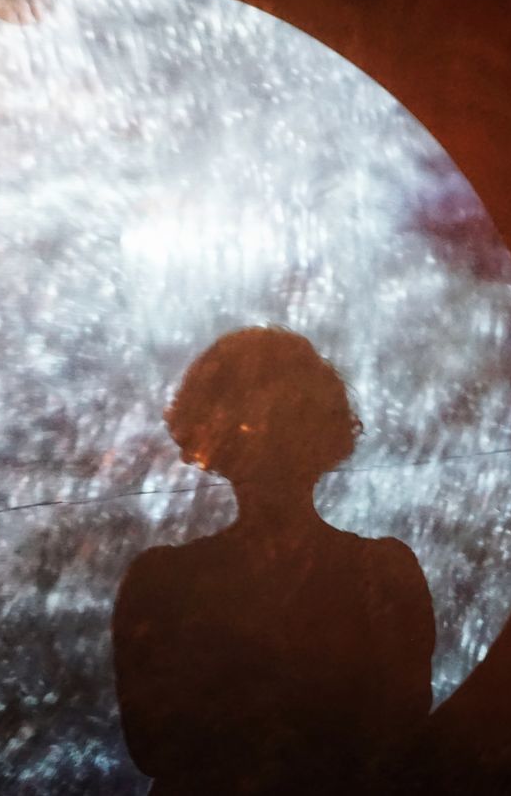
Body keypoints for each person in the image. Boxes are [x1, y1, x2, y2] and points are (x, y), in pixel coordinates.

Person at [112, 327, 434, 794]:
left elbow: (159, 745)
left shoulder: (162, 583)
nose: (267, 440)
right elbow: (154, 745)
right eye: (254, 424)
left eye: (285, 421)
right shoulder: (383, 574)